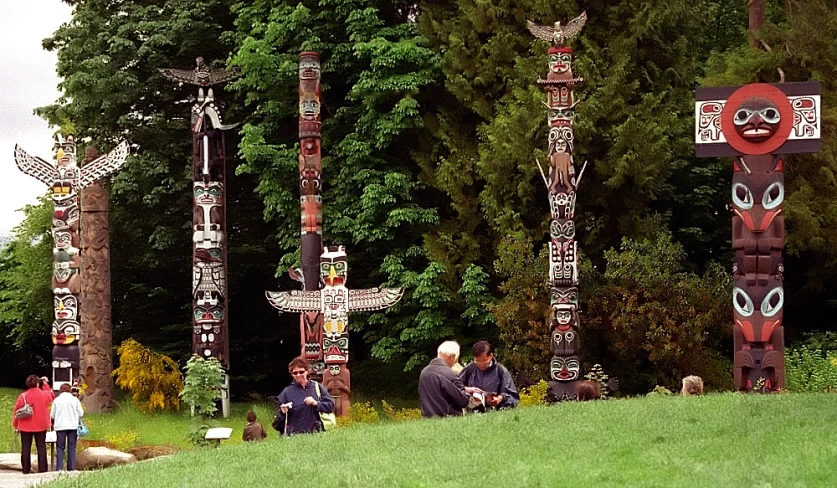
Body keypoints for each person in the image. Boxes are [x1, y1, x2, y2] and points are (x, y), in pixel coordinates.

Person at [274, 357, 335, 435]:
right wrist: (282, 412)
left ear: (307, 371)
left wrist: (316, 403)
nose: (298, 375)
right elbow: (278, 424)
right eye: (295, 373)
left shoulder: (318, 387)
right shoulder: (286, 392)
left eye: (301, 372)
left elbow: (330, 407)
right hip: (294, 436)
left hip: (316, 434)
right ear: (291, 374)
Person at [419, 341, 473, 418]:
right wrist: (470, 395)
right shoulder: (449, 374)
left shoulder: (424, 371)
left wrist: (464, 389)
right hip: (447, 421)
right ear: (452, 357)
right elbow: (463, 400)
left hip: (427, 421)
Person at [459, 341, 519, 410]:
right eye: (477, 361)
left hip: (496, 414)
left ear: (491, 356)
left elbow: (513, 396)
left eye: (484, 360)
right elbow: (456, 387)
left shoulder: (500, 371)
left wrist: (500, 398)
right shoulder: (470, 369)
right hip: (472, 414)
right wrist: (468, 390)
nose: (481, 364)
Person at [11, 375, 53, 474]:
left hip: (25, 425)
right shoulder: (44, 395)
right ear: (38, 383)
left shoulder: (23, 396)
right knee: (41, 447)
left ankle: (26, 469)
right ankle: (43, 469)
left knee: (25, 447)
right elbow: (51, 396)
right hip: (41, 424)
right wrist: (46, 384)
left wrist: (16, 425)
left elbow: (16, 411)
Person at [51, 383, 84, 471]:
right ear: (70, 389)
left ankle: (59, 468)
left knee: (60, 447)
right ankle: (71, 468)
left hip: (60, 426)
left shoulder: (57, 400)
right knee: (72, 447)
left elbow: (52, 415)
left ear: (60, 390)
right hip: (73, 426)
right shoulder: (75, 400)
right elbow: (81, 413)